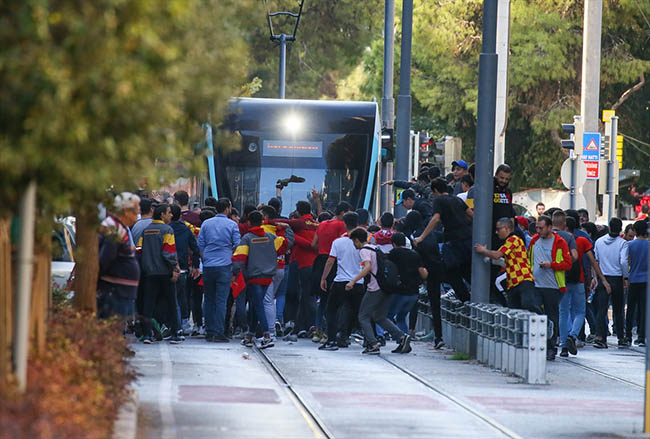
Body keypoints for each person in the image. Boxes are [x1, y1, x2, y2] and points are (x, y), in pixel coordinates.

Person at [348, 228, 412, 355]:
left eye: (353, 242)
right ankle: (402, 336)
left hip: (375, 288)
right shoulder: (375, 248)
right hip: (386, 287)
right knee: (380, 317)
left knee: (363, 316)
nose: (354, 245)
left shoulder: (364, 250)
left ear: (356, 240)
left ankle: (373, 343)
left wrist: (353, 281)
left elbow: (367, 267)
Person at [233, 211, 288, 348]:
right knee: (255, 306)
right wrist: (282, 230)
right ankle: (250, 335)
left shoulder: (247, 238)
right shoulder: (271, 237)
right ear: (262, 222)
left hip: (254, 277)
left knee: (257, 306)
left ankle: (267, 335)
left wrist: (235, 273)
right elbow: (284, 246)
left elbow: (239, 258)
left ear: (249, 223)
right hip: (268, 277)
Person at [415, 178, 473, 302]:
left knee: (450, 272)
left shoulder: (439, 201)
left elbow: (435, 219)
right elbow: (471, 214)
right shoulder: (457, 199)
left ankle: (466, 300)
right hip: (467, 239)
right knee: (466, 271)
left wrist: (422, 237)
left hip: (453, 242)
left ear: (435, 190)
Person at [269, 200, 318, 338]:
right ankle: (303, 326)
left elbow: (278, 222)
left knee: (298, 295)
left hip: (301, 263)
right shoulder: (316, 224)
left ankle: (306, 325)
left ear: (298, 211)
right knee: (307, 296)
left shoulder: (300, 223)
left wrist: (289, 232)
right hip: (313, 263)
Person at [527, 215, 572, 361]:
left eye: (541, 228)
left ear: (549, 227)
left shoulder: (560, 242)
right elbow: (529, 259)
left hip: (553, 287)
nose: (538, 231)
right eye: (537, 228)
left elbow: (567, 264)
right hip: (536, 284)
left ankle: (551, 347)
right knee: (535, 313)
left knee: (551, 317)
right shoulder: (534, 241)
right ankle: (536, 344)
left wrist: (551, 265)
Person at [137, 203, 183, 344]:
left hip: (149, 273)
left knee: (148, 304)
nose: (171, 215)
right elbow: (169, 252)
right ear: (162, 214)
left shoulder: (146, 231)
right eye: (169, 212)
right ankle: (175, 332)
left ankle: (147, 334)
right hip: (164, 272)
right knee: (171, 302)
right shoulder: (167, 230)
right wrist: (175, 268)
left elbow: (139, 250)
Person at [197, 198, 241, 343]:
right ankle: (219, 331)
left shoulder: (206, 224)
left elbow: (200, 245)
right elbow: (237, 245)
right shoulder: (232, 225)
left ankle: (209, 331)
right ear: (228, 209)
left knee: (209, 299)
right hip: (224, 265)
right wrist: (228, 253)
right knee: (221, 300)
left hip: (208, 265)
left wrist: (205, 259)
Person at [475, 218, 539, 313]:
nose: (497, 232)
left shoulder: (514, 239)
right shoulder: (509, 241)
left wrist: (483, 250)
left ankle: (545, 324)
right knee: (514, 312)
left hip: (522, 279)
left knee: (529, 305)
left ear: (506, 228)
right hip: (513, 282)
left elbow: (497, 255)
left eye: (498, 229)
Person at [319, 212, 362, 350]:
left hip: (341, 281)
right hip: (358, 282)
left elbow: (330, 261)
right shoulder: (364, 241)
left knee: (331, 310)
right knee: (357, 311)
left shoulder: (338, 242)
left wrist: (324, 278)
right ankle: (350, 337)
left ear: (344, 223)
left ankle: (331, 339)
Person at [310, 202, 352, 343]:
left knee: (322, 300)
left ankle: (317, 330)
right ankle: (330, 332)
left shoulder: (321, 224)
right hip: (333, 263)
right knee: (334, 301)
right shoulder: (341, 226)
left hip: (319, 262)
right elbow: (344, 244)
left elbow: (313, 244)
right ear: (343, 213)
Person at [97, 192, 141, 321]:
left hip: (120, 292)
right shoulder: (113, 228)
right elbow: (106, 258)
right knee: (113, 331)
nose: (138, 212)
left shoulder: (119, 227)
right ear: (126, 211)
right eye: (136, 209)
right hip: (115, 292)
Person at [593, 217, 629, 348]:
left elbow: (595, 260)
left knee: (601, 309)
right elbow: (624, 262)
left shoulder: (599, 241)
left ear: (609, 227)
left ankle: (600, 337)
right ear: (620, 229)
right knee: (618, 309)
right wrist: (625, 277)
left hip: (603, 277)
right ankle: (621, 336)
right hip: (617, 278)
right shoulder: (622, 243)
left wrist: (595, 277)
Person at [388, 233, 428, 339]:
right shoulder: (414, 254)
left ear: (393, 244)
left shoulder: (393, 254)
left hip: (399, 291)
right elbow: (423, 274)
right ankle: (404, 340)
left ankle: (398, 337)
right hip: (414, 292)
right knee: (401, 317)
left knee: (387, 316)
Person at [169, 205, 201, 335]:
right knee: (183, 296)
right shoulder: (186, 229)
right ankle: (184, 322)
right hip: (182, 267)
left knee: (171, 296)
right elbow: (195, 249)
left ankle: (172, 324)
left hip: (167, 268)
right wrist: (195, 265)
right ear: (180, 216)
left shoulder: (167, 229)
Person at [626, 220, 648, 346]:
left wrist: (626, 277)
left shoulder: (629, 245)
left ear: (634, 231)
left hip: (633, 279)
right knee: (643, 308)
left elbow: (626, 262)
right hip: (646, 280)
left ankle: (628, 335)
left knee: (631, 307)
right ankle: (641, 336)